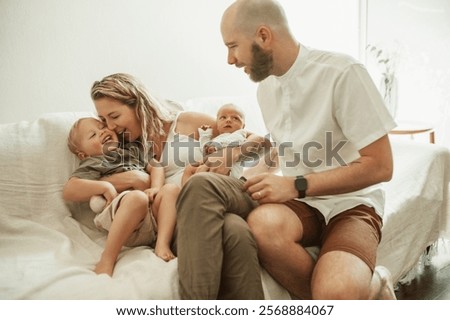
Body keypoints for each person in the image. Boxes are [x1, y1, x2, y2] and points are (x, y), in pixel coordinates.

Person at [217, 0, 398, 299]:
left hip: (351, 203)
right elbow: (281, 148)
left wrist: (296, 185)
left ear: (263, 36)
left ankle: (364, 287)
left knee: (336, 293)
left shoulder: (342, 72)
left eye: (233, 46)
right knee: (261, 224)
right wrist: (242, 178)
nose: (230, 59)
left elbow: (381, 166)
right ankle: (365, 295)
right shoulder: (266, 89)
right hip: (305, 204)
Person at [89, 73, 267, 299]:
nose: (110, 126)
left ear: (138, 104)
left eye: (114, 116)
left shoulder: (187, 122)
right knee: (235, 230)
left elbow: (260, 142)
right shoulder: (125, 150)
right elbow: (97, 183)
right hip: (179, 219)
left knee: (210, 196)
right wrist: (135, 179)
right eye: (103, 120)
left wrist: (229, 157)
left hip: (216, 195)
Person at [63, 117, 179, 276]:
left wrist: (156, 188)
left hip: (151, 219)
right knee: (137, 198)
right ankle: (107, 258)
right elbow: (70, 190)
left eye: (102, 126)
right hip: (121, 219)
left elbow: (156, 166)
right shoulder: (94, 162)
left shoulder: (132, 150)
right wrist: (104, 186)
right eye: (92, 135)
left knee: (171, 190)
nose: (102, 131)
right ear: (83, 155)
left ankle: (162, 244)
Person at [182, 103, 250, 184]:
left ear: (243, 126)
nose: (228, 120)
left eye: (235, 118)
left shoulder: (240, 133)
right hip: (211, 167)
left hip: (229, 171)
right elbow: (204, 148)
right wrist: (205, 135)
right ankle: (186, 191)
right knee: (190, 168)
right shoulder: (216, 139)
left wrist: (216, 147)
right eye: (223, 117)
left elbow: (236, 142)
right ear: (217, 125)